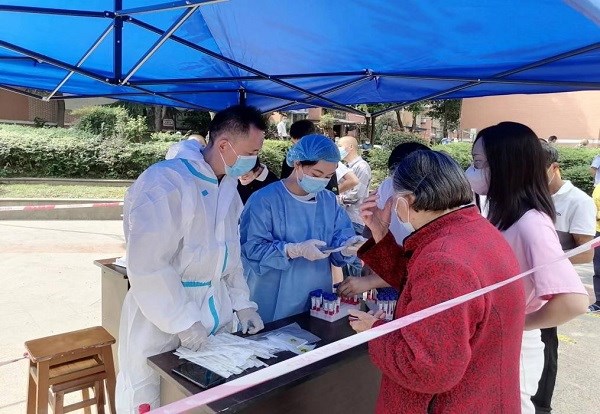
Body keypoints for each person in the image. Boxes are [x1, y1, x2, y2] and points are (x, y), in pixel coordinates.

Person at [345, 150, 526, 413]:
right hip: (484, 392)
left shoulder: (444, 259)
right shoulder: (474, 231)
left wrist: (375, 330)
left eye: (395, 200)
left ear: (407, 201)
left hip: (450, 403)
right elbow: (419, 285)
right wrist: (381, 233)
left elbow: (427, 370)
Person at [116, 105, 266, 412]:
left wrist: (243, 302)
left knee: (202, 402)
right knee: (152, 396)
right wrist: (182, 321)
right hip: (161, 317)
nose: (254, 160)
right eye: (251, 152)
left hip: (213, 312)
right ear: (223, 145)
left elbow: (230, 255)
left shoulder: (228, 187)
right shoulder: (166, 182)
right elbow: (148, 264)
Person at [464, 122, 589, 414]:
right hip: (496, 337)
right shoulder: (500, 212)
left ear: (506, 166)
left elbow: (574, 301)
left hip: (515, 346)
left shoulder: (532, 223)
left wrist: (519, 322)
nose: (472, 171)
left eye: (479, 163)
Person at [240, 134, 361, 323]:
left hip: (317, 299)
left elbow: (339, 243)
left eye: (328, 177)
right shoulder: (264, 200)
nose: (322, 181)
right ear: (297, 163)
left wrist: (346, 248)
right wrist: (292, 250)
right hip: (271, 297)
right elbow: (251, 249)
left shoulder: (328, 201)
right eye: (317, 174)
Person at [530, 141, 596, 413]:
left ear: (554, 167)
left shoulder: (578, 201)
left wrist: (544, 257)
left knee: (545, 344)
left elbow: (586, 253)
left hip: (553, 290)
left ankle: (541, 406)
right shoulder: (530, 195)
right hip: (527, 288)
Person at [337, 142, 430, 296]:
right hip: (390, 271)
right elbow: (372, 227)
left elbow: (421, 271)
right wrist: (372, 260)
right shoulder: (387, 186)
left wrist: (373, 281)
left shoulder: (439, 230)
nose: (397, 200)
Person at [280, 119, 345, 193]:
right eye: (294, 144)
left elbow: (332, 190)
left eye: (316, 175)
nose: (297, 150)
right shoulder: (290, 160)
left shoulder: (328, 160)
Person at [591, 184, 600, 313]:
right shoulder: (598, 188)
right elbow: (592, 209)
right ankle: (599, 302)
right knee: (598, 267)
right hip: (598, 232)